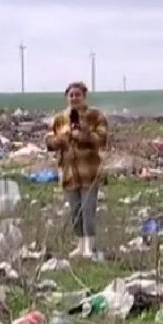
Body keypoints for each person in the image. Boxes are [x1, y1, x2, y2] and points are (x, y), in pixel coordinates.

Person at [45, 81, 109, 258]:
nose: (74, 98)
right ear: (67, 97)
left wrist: (82, 135)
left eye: (77, 95)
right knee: (75, 210)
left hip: (88, 170)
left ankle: (90, 246)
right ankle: (79, 245)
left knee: (88, 209)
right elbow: (49, 141)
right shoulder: (60, 119)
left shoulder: (95, 116)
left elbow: (102, 138)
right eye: (71, 95)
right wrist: (62, 139)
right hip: (69, 171)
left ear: (84, 96)